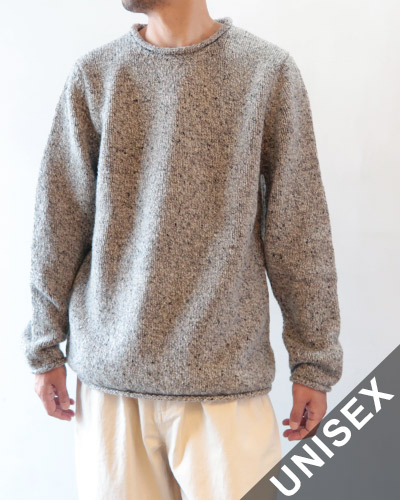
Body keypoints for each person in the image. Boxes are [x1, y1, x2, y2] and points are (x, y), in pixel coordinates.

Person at [21, 1, 344, 498]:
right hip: (111, 388)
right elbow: (59, 221)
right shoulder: (96, 75)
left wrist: (314, 362)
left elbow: (298, 230)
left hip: (227, 390)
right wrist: (44, 347)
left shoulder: (266, 72)